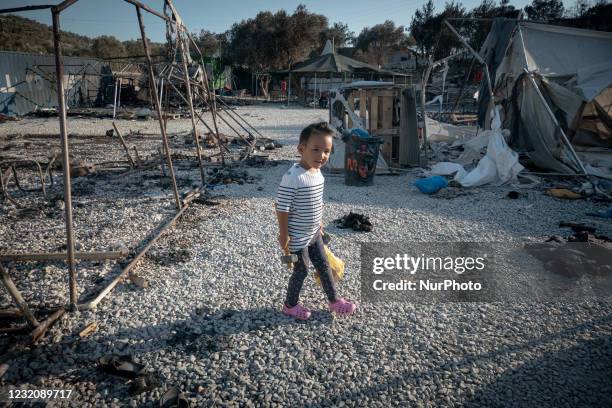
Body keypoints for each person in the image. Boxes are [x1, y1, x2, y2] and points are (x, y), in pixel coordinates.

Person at [275, 122, 357, 320]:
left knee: (324, 266)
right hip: (297, 238)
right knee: (301, 271)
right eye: (316, 150)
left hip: (314, 233)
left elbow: (317, 201)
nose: (322, 156)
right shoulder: (292, 177)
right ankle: (290, 305)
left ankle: (335, 300)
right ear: (301, 149)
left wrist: (319, 222)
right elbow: (282, 207)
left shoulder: (318, 173)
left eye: (327, 151)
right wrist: (284, 234)